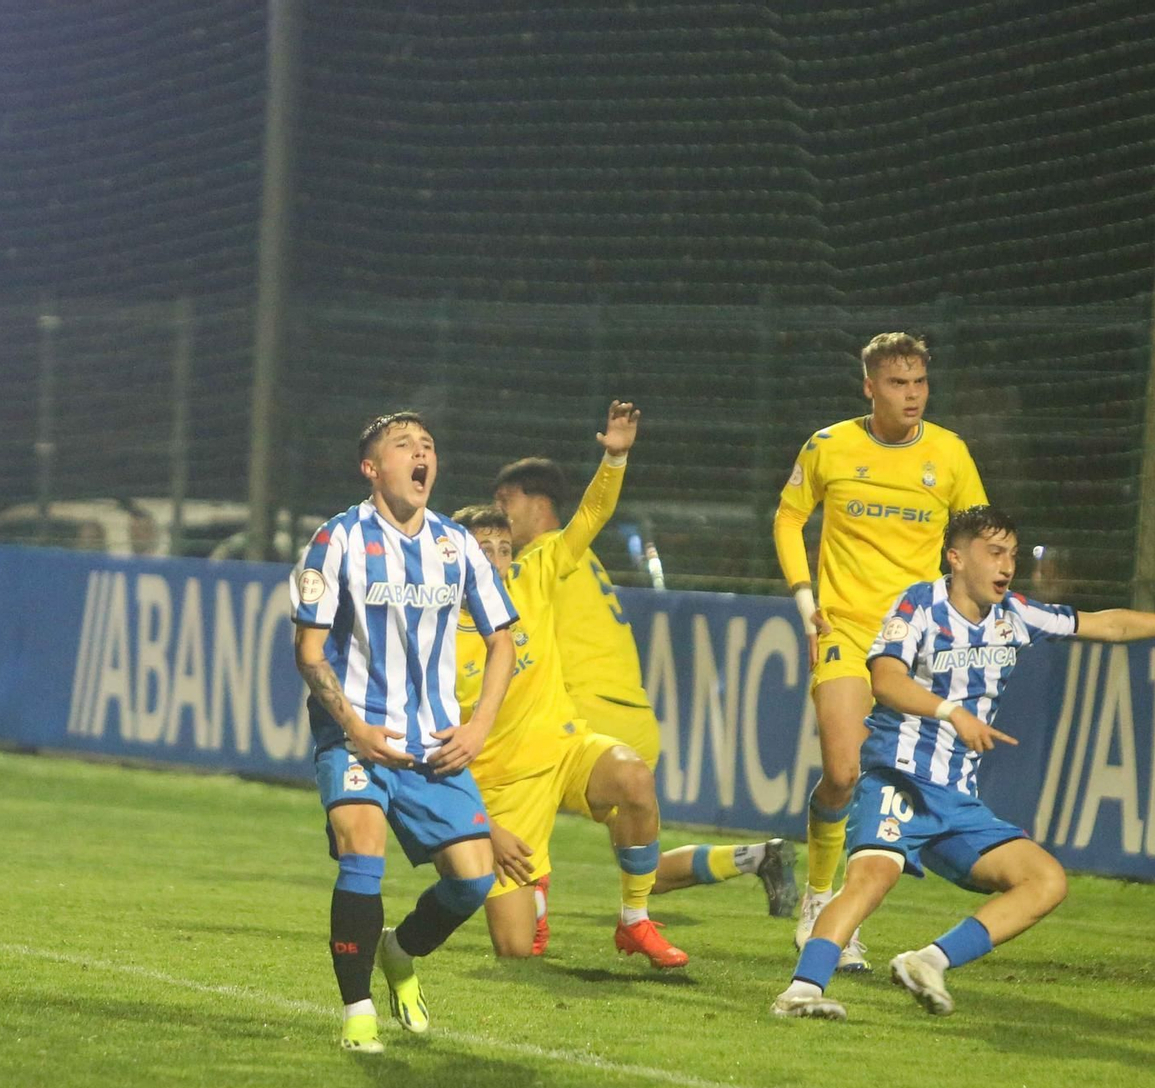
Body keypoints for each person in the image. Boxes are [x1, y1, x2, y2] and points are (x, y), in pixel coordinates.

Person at [770, 505, 1155, 1020]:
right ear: (956, 558)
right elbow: (885, 679)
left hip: (957, 801)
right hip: (899, 779)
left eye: (1013, 556)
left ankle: (927, 961)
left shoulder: (1014, 615)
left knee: (1046, 881)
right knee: (872, 879)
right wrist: (951, 712)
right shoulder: (919, 605)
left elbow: (1107, 625)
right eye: (994, 553)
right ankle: (801, 991)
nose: (1007, 566)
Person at [453, 404, 794, 965]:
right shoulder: (437, 634)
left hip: (567, 744)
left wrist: (614, 457)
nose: (497, 559)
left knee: (633, 780)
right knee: (514, 950)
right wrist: (483, 824)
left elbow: (590, 515)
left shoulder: (536, 573)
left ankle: (634, 919)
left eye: (502, 547)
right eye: (482, 550)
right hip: (504, 785)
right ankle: (514, 884)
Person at [290, 411, 518, 1053]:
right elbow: (308, 652)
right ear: (372, 468)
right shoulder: (335, 539)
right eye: (404, 446)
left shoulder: (457, 544)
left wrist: (478, 727)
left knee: (474, 880)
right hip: (356, 737)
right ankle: (357, 1012)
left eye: (428, 446)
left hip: (433, 746)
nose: (422, 455)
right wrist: (354, 729)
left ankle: (400, 950)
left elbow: (503, 640)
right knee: (363, 850)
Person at [772, 332, 988, 972]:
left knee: (884, 785)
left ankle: (848, 915)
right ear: (869, 386)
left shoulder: (948, 453)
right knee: (842, 771)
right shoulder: (829, 445)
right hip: (842, 628)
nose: (912, 395)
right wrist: (807, 602)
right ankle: (817, 897)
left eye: (920, 382)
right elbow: (788, 518)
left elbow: (976, 534)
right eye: (898, 383)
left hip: (915, 642)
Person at [493, 454, 660, 767]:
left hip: (585, 719)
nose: (497, 512)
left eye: (506, 500)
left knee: (482, 786)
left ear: (541, 505)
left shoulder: (540, 559)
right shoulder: (581, 555)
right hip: (638, 724)